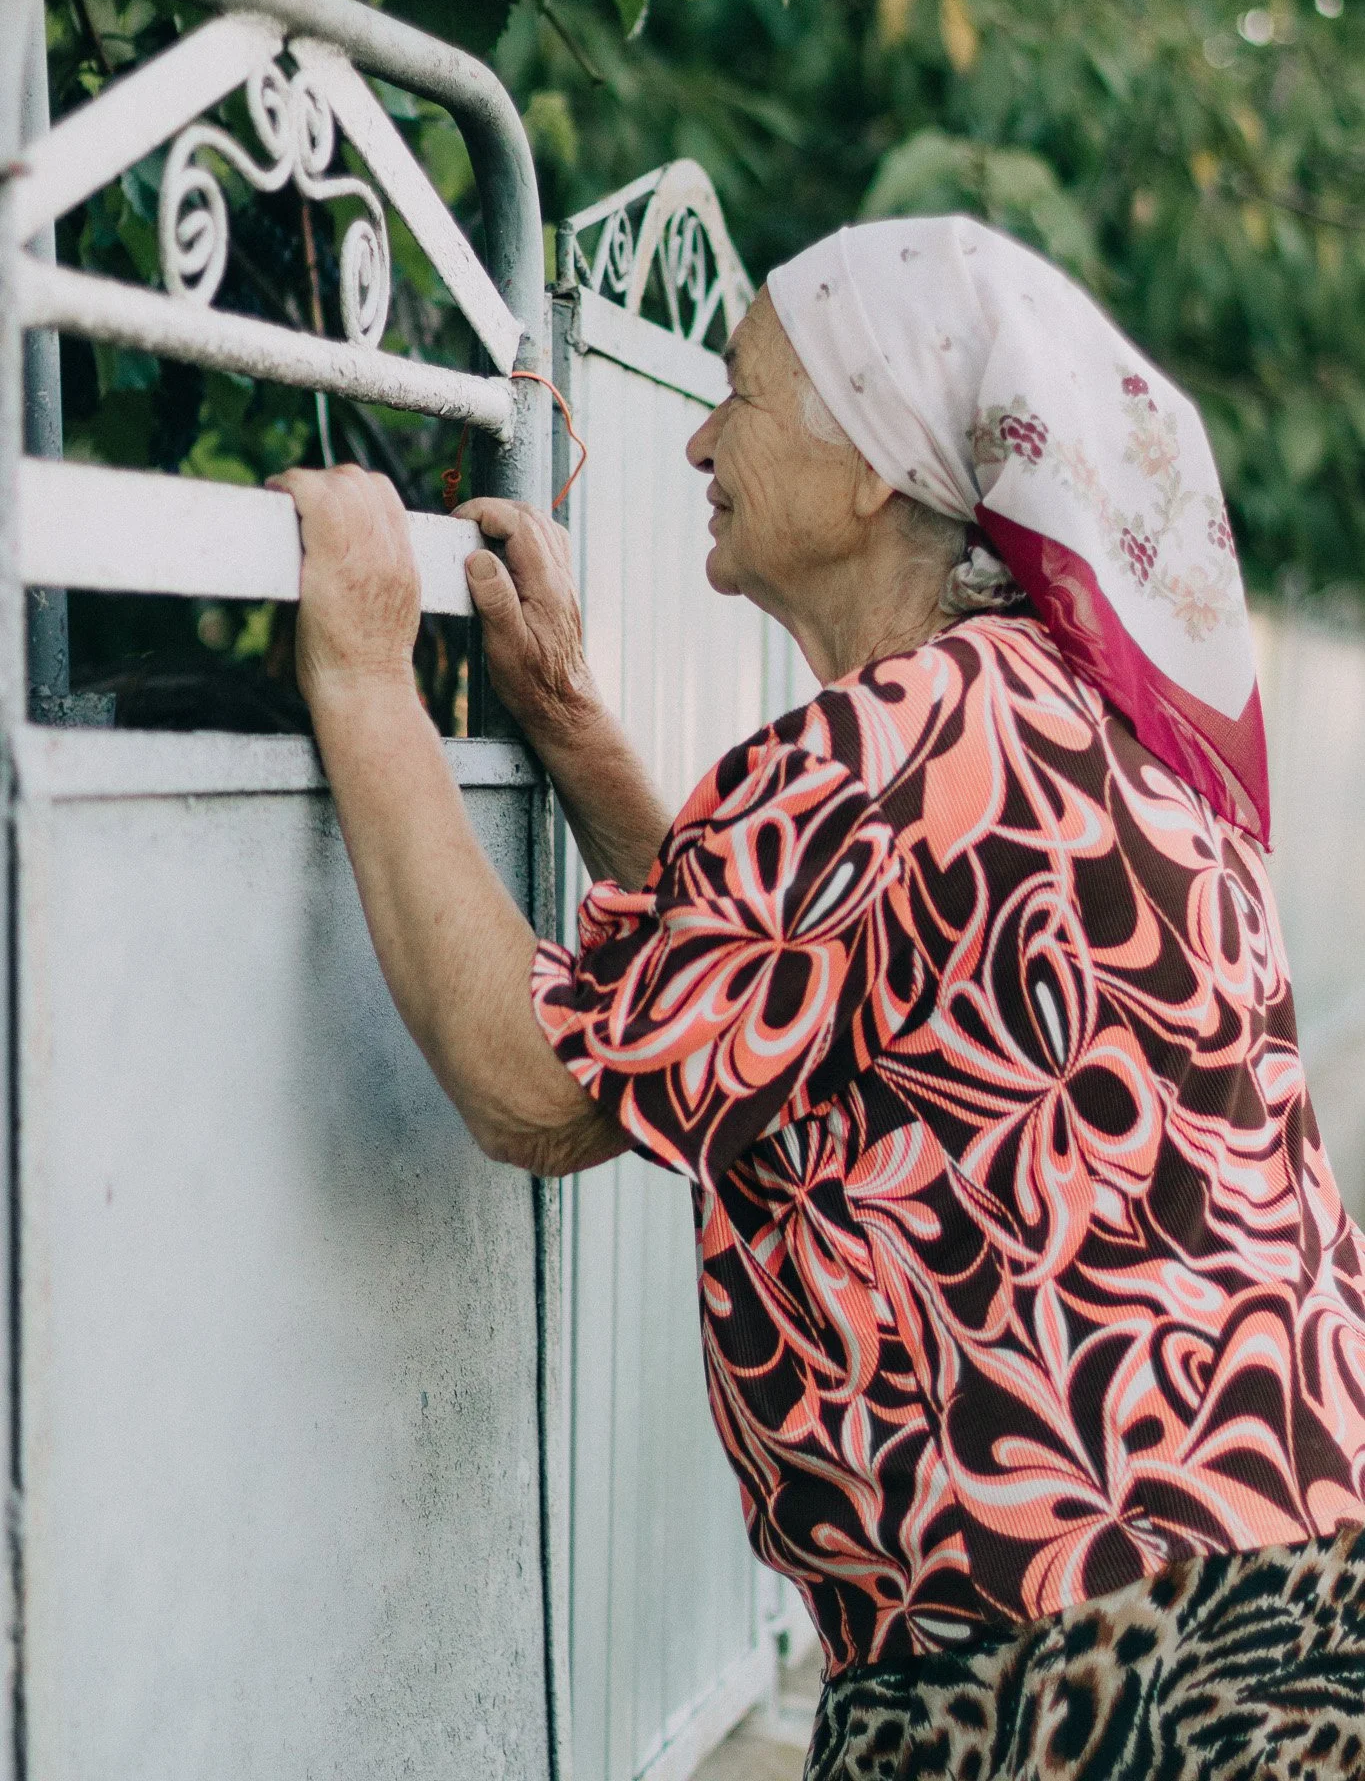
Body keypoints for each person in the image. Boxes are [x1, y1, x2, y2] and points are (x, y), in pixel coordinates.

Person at [272, 216, 1365, 1778]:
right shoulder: (1073, 722)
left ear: (873, 465)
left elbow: (541, 1085)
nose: (704, 436)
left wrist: (366, 668)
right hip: (1289, 1553)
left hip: (1056, 1627)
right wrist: (575, 730)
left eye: (744, 392)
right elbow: (769, 986)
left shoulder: (890, 743)